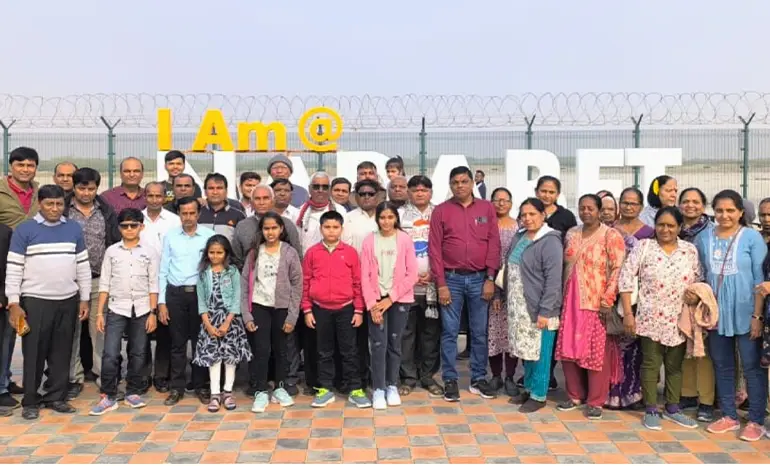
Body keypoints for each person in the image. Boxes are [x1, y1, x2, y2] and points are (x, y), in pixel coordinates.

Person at [6, 184, 91, 420]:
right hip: (34, 302)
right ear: (39, 204)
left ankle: (56, 396)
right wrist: (14, 303)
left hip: (68, 300)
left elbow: (82, 266)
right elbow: (14, 268)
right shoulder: (25, 230)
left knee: (62, 352)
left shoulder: (73, 228)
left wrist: (84, 298)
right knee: (34, 352)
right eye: (49, 204)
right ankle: (30, 401)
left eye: (59, 204)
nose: (54, 208)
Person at [619, 206, 701, 430]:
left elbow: (699, 280)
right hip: (650, 317)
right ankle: (651, 409)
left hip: (679, 318)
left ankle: (673, 408)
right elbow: (625, 279)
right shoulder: (644, 247)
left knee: (675, 365)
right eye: (661, 225)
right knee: (650, 363)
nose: (665, 229)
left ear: (679, 227)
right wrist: (628, 314)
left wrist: (695, 296)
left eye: (671, 225)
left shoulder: (689, 251)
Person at [696, 190, 767, 441]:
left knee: (751, 366)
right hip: (717, 314)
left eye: (730, 210)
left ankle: (756, 420)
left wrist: (757, 317)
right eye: (719, 210)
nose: (724, 215)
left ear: (740, 212)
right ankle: (728, 415)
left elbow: (760, 279)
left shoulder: (752, 238)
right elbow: (701, 274)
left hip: (747, 312)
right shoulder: (704, 238)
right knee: (722, 365)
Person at [428, 166, 501, 402]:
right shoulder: (441, 211)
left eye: (464, 181)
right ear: (450, 185)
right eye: (455, 182)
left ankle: (478, 378)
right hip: (451, 280)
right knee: (449, 332)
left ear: (472, 183)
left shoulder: (486, 208)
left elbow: (494, 244)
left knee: (479, 332)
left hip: (480, 279)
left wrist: (490, 278)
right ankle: (450, 379)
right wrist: (441, 283)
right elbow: (435, 249)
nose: (460, 186)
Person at [556, 194, 625, 420]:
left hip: (596, 303)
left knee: (596, 353)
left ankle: (596, 401)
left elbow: (618, 268)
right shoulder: (572, 233)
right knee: (569, 349)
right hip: (570, 301)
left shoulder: (610, 235)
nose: (586, 212)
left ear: (599, 211)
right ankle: (575, 395)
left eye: (590, 208)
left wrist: (608, 298)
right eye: (582, 208)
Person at [89, 208, 159, 415]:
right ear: (119, 228)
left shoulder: (149, 252)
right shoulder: (112, 251)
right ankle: (108, 394)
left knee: (138, 351)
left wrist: (153, 313)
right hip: (116, 307)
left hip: (142, 308)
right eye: (125, 226)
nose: (129, 229)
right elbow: (104, 283)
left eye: (133, 225)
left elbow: (153, 284)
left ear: (141, 227)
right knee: (110, 352)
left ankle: (133, 391)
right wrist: (100, 313)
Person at [302, 211, 371, 409]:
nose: (331, 231)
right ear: (321, 229)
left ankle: (355, 389)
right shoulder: (312, 253)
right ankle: (325, 389)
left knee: (350, 351)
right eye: (327, 227)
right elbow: (305, 282)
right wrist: (307, 310)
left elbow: (357, 282)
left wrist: (358, 310)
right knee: (324, 351)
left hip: (346, 308)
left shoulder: (350, 253)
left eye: (335, 227)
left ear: (341, 229)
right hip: (320, 309)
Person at [63, 167, 121, 400]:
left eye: (91, 189)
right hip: (69, 281)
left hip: (98, 280)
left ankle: (103, 375)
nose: (86, 193)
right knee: (71, 331)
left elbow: (114, 241)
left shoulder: (105, 210)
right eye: (81, 188)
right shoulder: (63, 209)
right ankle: (73, 377)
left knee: (99, 331)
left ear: (97, 188)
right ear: (74, 187)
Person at [504, 198, 563, 413]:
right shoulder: (519, 236)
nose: (527, 219)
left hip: (540, 308)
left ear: (543, 215)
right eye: (524, 215)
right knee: (526, 351)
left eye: (532, 214)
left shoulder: (550, 241)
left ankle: (539, 395)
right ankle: (528, 389)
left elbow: (553, 280)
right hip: (519, 307)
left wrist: (546, 310)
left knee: (541, 353)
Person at [241, 212, 303, 412]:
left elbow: (297, 285)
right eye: (266, 228)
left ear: (281, 229)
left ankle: (280, 387)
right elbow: (244, 285)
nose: (270, 232)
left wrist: (292, 316)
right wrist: (247, 315)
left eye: (274, 228)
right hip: (259, 306)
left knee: (281, 349)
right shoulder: (254, 253)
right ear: (261, 230)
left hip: (282, 308)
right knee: (261, 349)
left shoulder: (289, 253)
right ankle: (260, 390)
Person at [158, 196, 216, 406]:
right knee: (177, 343)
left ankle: (201, 386)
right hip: (175, 295)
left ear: (198, 214)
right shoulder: (170, 236)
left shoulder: (209, 236)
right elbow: (163, 270)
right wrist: (161, 303)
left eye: (192, 213)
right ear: (179, 214)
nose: (188, 217)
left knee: (200, 342)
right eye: (184, 213)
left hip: (200, 295)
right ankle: (177, 387)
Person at [361, 202, 418, 410]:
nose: (386, 222)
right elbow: (364, 276)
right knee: (378, 345)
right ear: (377, 219)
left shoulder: (404, 239)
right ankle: (378, 388)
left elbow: (412, 274)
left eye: (390, 217)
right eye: (382, 217)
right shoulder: (369, 240)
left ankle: (392, 385)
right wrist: (372, 305)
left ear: (396, 218)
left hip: (398, 300)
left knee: (395, 344)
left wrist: (390, 298)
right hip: (376, 301)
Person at [606, 187, 654, 411]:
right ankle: (611, 392)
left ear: (641, 207)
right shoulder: (609, 230)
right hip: (611, 293)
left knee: (635, 346)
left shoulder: (649, 233)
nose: (628, 207)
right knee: (613, 345)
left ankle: (633, 392)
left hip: (639, 296)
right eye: (625, 202)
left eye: (633, 203)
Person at [192, 235, 252, 412]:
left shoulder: (232, 272)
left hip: (230, 322)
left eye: (219, 252)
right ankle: (215, 394)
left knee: (230, 358)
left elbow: (236, 298)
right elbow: (201, 301)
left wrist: (227, 322)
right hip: (210, 321)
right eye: (212, 252)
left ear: (226, 253)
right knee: (214, 358)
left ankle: (228, 392)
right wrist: (208, 325)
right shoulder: (204, 274)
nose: (215, 256)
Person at [399, 175, 443, 397]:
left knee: (430, 334)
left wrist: (435, 273)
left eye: (424, 190)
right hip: (406, 287)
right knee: (406, 335)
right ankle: (408, 377)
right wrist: (410, 275)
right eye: (415, 190)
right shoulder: (399, 215)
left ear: (430, 192)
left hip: (433, 287)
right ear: (408, 192)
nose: (419, 193)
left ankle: (428, 376)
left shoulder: (440, 213)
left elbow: (446, 246)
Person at [677, 187, 715, 421]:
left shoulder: (711, 232)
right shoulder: (673, 227)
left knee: (703, 351)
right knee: (684, 350)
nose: (690, 205)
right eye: (686, 201)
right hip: (677, 300)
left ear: (703, 205)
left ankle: (707, 400)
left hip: (703, 300)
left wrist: (701, 294)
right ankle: (687, 393)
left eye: (695, 201)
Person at [342, 180, 382, 390]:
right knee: (358, 335)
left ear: (378, 195)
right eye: (362, 193)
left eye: (370, 193)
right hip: (356, 284)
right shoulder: (349, 219)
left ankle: (381, 377)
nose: (366, 197)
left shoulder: (385, 216)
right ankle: (360, 377)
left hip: (382, 284)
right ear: (355, 196)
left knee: (380, 335)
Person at [488, 188, 518, 396]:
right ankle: (496, 375)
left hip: (514, 288)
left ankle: (510, 377)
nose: (501, 204)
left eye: (505, 200)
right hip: (491, 285)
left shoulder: (519, 226)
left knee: (510, 334)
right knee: (493, 333)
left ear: (511, 203)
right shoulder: (487, 225)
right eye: (496, 200)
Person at [231, 185, 302, 270]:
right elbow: (236, 260)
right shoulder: (242, 226)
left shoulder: (286, 224)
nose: (261, 202)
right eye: (257, 199)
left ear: (273, 201)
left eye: (266, 198)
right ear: (251, 203)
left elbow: (297, 258)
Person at [296, 172, 346, 255]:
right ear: (309, 189)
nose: (320, 190)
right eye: (316, 187)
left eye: (325, 187)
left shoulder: (340, 211)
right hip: (306, 259)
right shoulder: (299, 213)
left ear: (329, 190)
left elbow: (344, 240)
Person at [198, 173, 246, 243]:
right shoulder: (196, 213)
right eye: (211, 188)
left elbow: (243, 242)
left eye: (219, 188)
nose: (215, 192)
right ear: (205, 192)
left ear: (226, 191)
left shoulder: (238, 215)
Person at [0, 147, 39, 229]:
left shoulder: (40, 194)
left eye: (30, 166)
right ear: (10, 167)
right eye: (20, 165)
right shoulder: (2, 191)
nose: (25, 170)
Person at [0, 224, 15, 413]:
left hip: (5, 297)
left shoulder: (5, 232)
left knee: (7, 341)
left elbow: (11, 265)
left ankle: (4, 381)